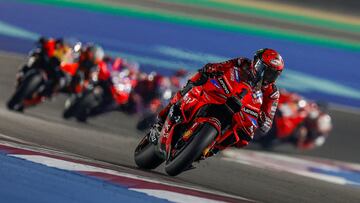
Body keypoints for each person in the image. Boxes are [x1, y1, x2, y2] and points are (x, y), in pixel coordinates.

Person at [151, 48, 284, 148]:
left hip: (239, 111)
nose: (266, 76)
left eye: (272, 74)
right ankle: (162, 119)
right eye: (264, 70)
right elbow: (220, 66)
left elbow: (267, 124)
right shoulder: (241, 63)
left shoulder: (272, 93)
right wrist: (210, 69)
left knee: (245, 138)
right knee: (196, 81)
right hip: (223, 93)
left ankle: (211, 149)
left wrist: (261, 119)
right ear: (256, 63)